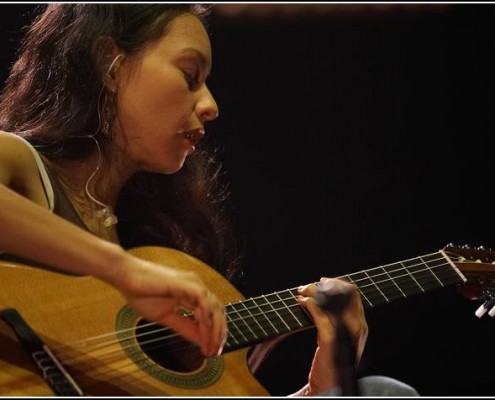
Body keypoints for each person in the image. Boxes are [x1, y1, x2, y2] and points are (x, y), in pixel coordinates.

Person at [0, 4, 418, 396]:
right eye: (189, 75)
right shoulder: (23, 165)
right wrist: (124, 271)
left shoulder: (147, 239)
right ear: (111, 64)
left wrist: (323, 386)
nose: (211, 106)